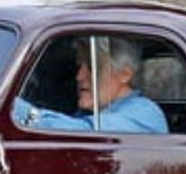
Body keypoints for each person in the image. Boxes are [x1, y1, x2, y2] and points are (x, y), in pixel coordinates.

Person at [13, 35, 165, 134]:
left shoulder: (145, 115)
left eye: (93, 67)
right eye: (79, 66)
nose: (79, 76)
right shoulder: (91, 113)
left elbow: (83, 133)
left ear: (124, 75)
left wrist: (12, 107)